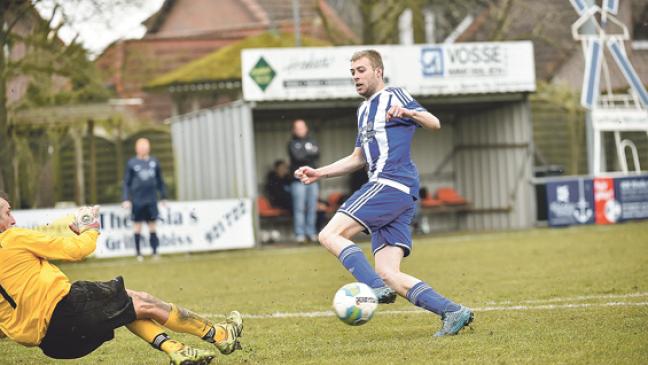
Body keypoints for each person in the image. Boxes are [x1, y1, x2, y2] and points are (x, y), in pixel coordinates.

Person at [294, 50, 473, 336]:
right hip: (397, 193)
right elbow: (357, 158)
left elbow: (434, 123)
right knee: (388, 274)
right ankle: (452, 312)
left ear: (378, 71)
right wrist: (319, 173)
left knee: (329, 235)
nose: (355, 76)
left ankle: (373, 288)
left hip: (390, 183)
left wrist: (409, 112)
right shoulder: (363, 110)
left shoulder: (394, 95)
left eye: (361, 70)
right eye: (352, 71)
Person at [0, 194, 243, 365]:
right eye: (8, 212)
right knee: (143, 302)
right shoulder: (11, 238)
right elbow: (77, 250)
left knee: (128, 305)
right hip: (66, 308)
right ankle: (220, 335)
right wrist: (91, 227)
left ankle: (177, 350)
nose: (13, 220)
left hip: (56, 346)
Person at [122, 137, 167, 261]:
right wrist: (126, 198)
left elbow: (160, 181)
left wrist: (163, 197)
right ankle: (138, 254)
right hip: (137, 201)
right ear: (137, 148)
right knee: (137, 226)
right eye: (141, 146)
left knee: (153, 226)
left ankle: (155, 252)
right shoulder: (132, 163)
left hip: (151, 200)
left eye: (145, 146)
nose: (143, 148)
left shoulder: (154, 162)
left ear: (149, 147)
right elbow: (126, 183)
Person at [288, 119, 320, 243]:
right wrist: (308, 152)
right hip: (298, 181)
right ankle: (300, 234)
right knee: (299, 208)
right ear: (294, 130)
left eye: (302, 127)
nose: (300, 130)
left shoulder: (312, 141)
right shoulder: (291, 143)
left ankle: (311, 232)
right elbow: (298, 157)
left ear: (306, 128)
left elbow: (317, 154)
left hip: (312, 179)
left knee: (312, 207)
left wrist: (304, 152)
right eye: (298, 128)